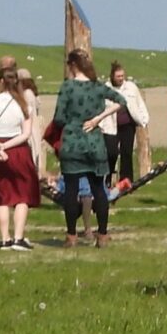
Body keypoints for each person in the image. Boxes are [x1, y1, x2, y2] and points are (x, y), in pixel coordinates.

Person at [49, 49, 127, 247]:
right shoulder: (97, 87)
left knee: (71, 190)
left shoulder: (68, 87)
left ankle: (72, 235)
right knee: (98, 190)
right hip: (94, 142)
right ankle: (102, 234)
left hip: (73, 142)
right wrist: (98, 118)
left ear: (73, 65)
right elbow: (121, 101)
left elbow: (58, 118)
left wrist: (72, 121)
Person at [0, 62, 39, 250]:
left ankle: (5, 239)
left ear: (0, 82)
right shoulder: (24, 106)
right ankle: (18, 238)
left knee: (2, 196)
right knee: (22, 196)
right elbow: (25, 134)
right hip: (18, 151)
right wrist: (6, 146)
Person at [106, 62, 150, 190]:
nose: (121, 78)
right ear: (112, 76)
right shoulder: (107, 88)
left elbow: (139, 103)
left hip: (127, 125)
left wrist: (144, 119)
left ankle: (126, 181)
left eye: (122, 76)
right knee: (111, 153)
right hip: (111, 126)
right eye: (118, 76)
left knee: (127, 152)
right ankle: (107, 181)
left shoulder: (131, 87)